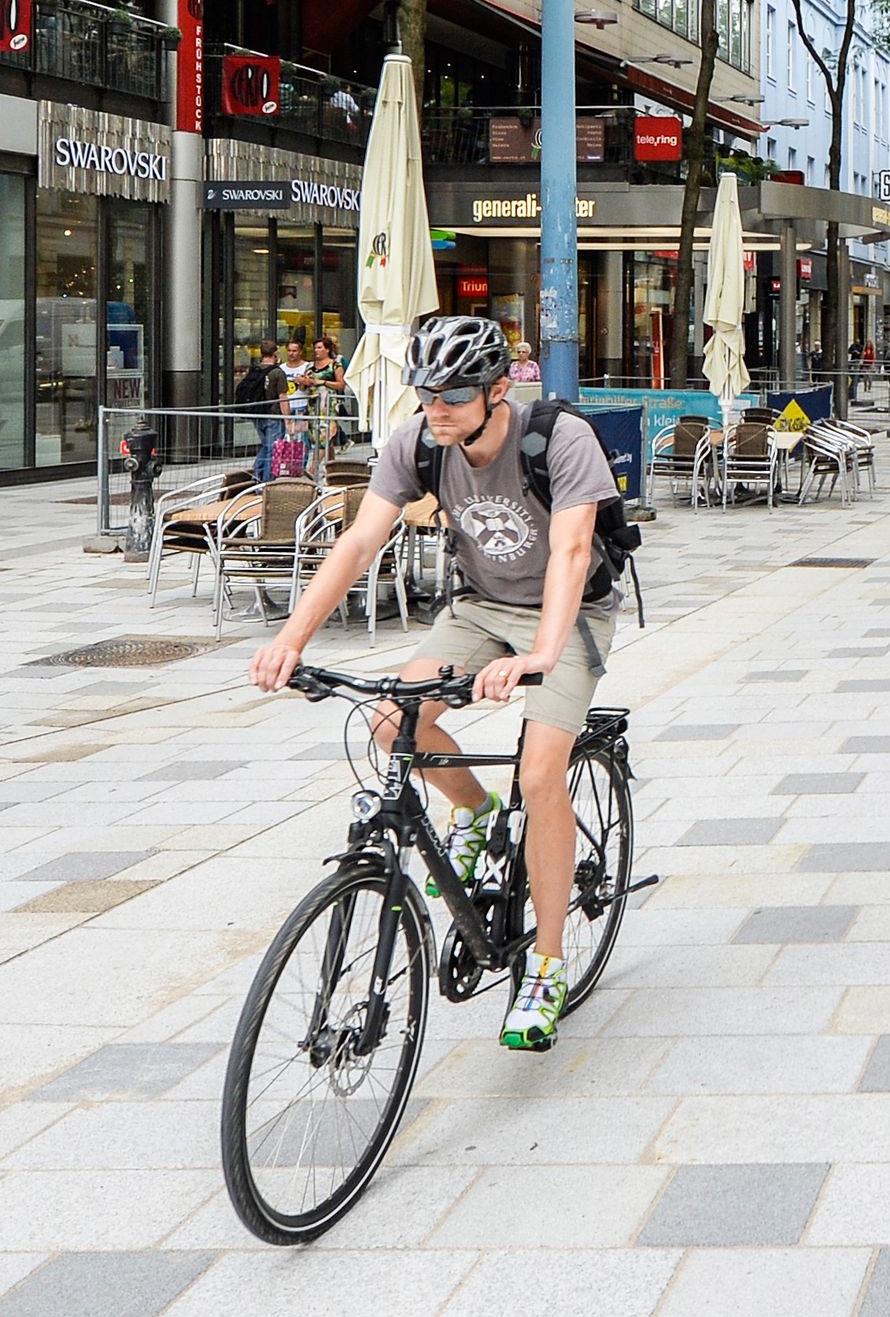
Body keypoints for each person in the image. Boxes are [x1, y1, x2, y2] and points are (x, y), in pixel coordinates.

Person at [252, 315, 617, 1051]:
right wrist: (290, 639)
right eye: (426, 392)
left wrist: (541, 656)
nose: (435, 408)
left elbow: (573, 552)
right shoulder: (417, 442)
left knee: (540, 772)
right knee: (392, 721)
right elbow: (360, 540)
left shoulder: (559, 439)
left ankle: (545, 967)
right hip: (479, 605)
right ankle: (476, 812)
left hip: (568, 614)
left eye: (452, 394)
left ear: (497, 389)